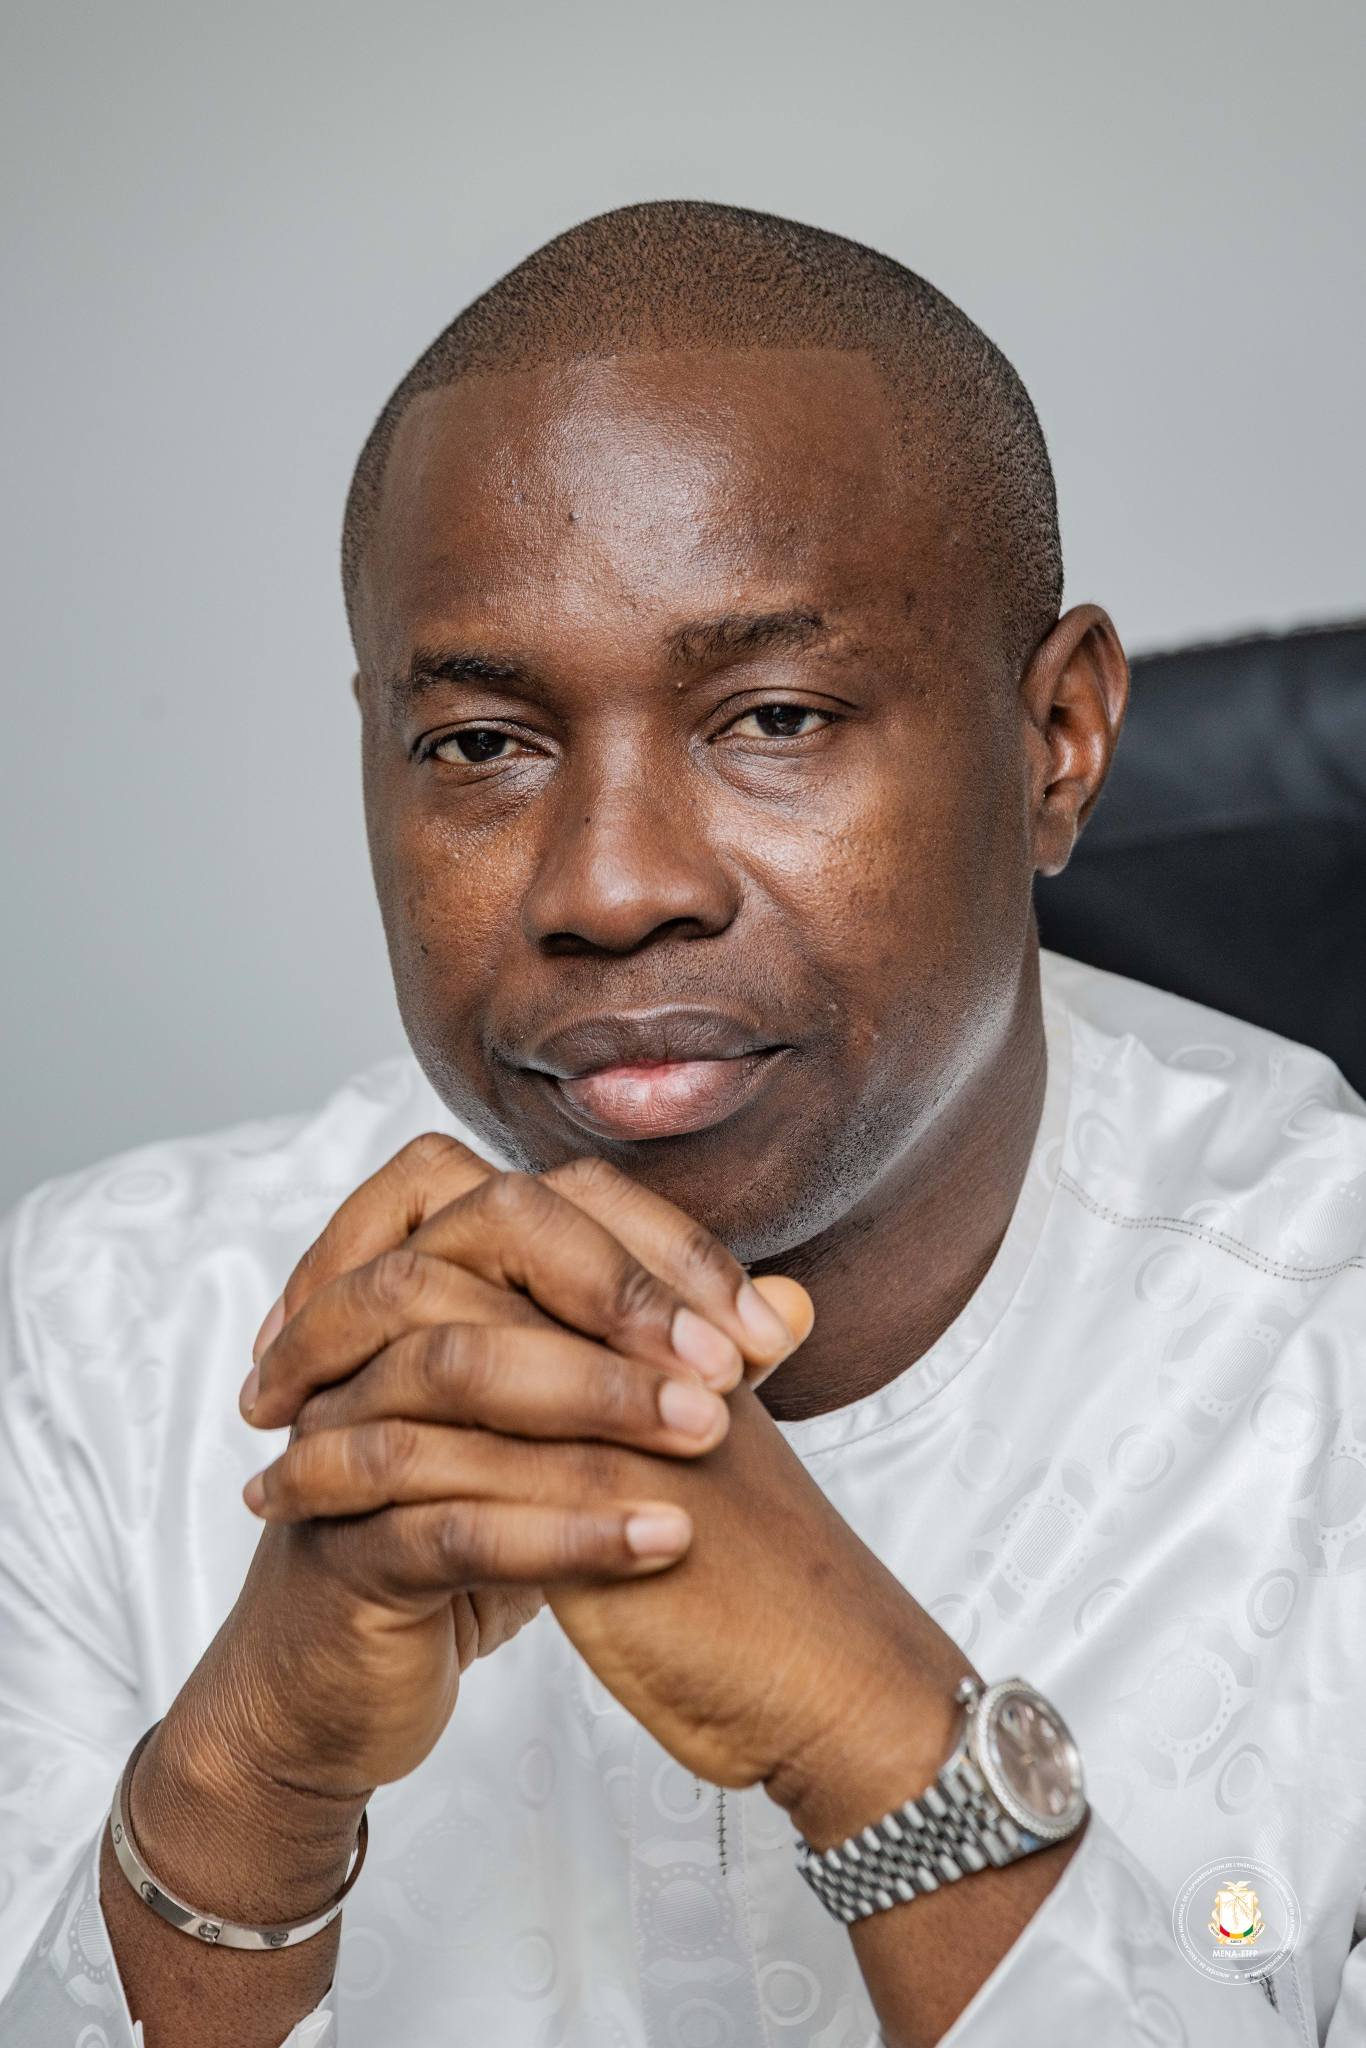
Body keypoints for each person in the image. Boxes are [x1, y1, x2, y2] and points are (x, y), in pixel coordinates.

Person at [1, 200, 1362, 2048]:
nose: (611, 885)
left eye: (772, 716)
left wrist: (881, 1736)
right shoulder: (92, 1347)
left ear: (1056, 738)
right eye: (481, 745)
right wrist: (245, 1778)